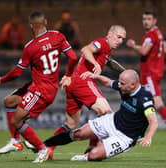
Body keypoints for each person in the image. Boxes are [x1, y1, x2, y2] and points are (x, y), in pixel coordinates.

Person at [27, 25, 126, 159]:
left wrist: (125, 72)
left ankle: (47, 149)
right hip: (83, 82)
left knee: (70, 124)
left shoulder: (106, 50)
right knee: (106, 113)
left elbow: (110, 63)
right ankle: (93, 146)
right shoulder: (102, 43)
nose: (120, 41)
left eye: (122, 39)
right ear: (109, 34)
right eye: (118, 37)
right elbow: (85, 50)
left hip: (73, 84)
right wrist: (95, 64)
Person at [0, 11, 78, 163]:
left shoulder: (31, 47)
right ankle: (15, 140)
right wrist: (68, 75)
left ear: (30, 26)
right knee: (9, 101)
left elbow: (18, 72)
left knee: (16, 121)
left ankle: (42, 149)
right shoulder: (58, 36)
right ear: (45, 22)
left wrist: (1, 80)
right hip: (43, 86)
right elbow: (73, 57)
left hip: (41, 90)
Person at [42, 69, 158, 161]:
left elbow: (153, 121)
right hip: (112, 121)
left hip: (125, 137)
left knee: (94, 155)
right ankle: (42, 146)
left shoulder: (145, 98)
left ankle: (86, 158)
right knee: (78, 134)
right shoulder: (125, 86)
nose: (119, 86)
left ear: (133, 85)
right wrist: (96, 77)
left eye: (122, 84)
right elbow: (108, 82)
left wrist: (149, 137)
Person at [126, 10, 166, 121]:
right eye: (144, 19)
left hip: (150, 73)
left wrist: (133, 46)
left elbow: (144, 51)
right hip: (153, 72)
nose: (146, 22)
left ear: (155, 20)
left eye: (149, 19)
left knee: (157, 103)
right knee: (140, 99)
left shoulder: (151, 35)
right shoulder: (159, 34)